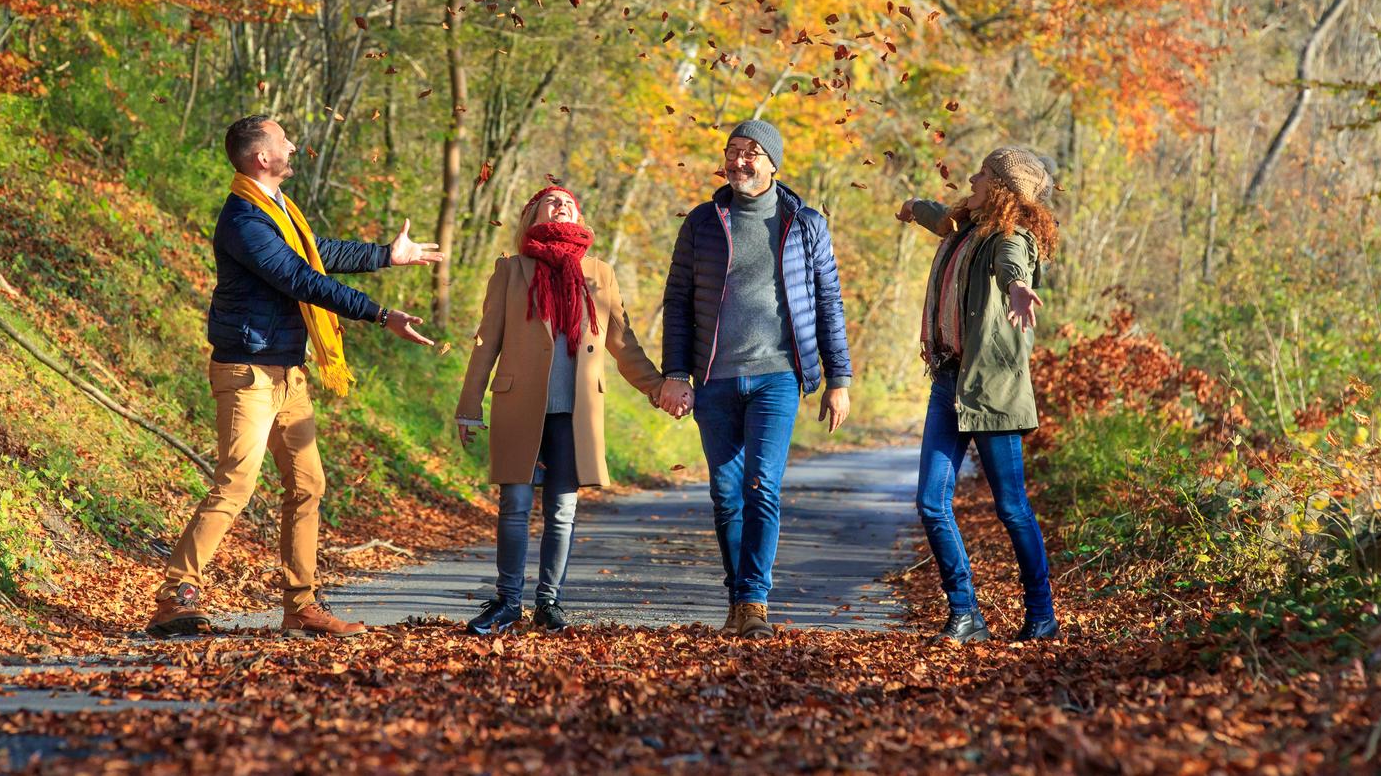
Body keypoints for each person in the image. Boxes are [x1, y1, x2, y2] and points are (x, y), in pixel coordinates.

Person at [146, 115, 441, 639]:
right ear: (262, 157)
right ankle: (175, 598)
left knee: (308, 485)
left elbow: (316, 252)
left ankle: (300, 606)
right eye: (283, 141)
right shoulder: (243, 219)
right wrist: (378, 313)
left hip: (288, 371)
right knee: (235, 483)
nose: (293, 146)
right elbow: (300, 278)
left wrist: (386, 256)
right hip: (248, 371)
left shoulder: (278, 211)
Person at [658, 120, 853, 639]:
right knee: (726, 494)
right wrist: (676, 372)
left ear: (773, 163)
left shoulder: (804, 223)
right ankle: (738, 595)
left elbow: (828, 303)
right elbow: (677, 302)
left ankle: (753, 602)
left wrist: (840, 378)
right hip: (715, 380)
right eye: (732, 151)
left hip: (777, 377)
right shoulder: (702, 222)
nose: (739, 161)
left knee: (761, 485)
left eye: (751, 152)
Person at [454, 185, 668, 635]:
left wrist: (659, 387)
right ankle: (507, 602)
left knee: (563, 510)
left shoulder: (599, 273)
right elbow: (485, 341)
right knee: (514, 504)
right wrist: (469, 405)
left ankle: (548, 603)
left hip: (575, 411)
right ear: (532, 215)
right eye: (551, 201)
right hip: (518, 404)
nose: (562, 205)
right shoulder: (511, 270)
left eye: (569, 202)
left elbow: (623, 344)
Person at [895, 146, 1060, 643]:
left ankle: (1042, 614)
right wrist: (913, 206)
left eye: (983, 174)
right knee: (930, 501)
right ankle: (965, 612)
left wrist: (1017, 288)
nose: (972, 177)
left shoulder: (1012, 238)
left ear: (1005, 189)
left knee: (1011, 508)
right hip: (947, 380)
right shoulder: (967, 225)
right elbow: (941, 222)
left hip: (993, 391)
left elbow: (1013, 262)